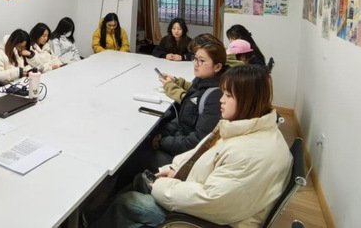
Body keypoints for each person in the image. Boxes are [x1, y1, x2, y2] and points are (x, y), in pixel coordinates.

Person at [93, 65, 292, 228]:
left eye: (228, 95)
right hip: (202, 194)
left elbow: (212, 202)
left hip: (206, 220)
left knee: (126, 203)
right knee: (141, 179)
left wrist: (162, 186)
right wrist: (175, 169)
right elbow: (201, 153)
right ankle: (99, 215)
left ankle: (99, 220)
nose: (221, 100)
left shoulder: (250, 153)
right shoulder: (244, 128)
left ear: (249, 101)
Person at [150, 36, 227, 165]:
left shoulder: (215, 97)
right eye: (195, 58)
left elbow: (197, 142)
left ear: (217, 67)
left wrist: (162, 141)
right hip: (182, 136)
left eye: (201, 61)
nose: (195, 64)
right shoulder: (203, 80)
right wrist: (162, 134)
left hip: (187, 158)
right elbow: (185, 118)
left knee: (136, 158)